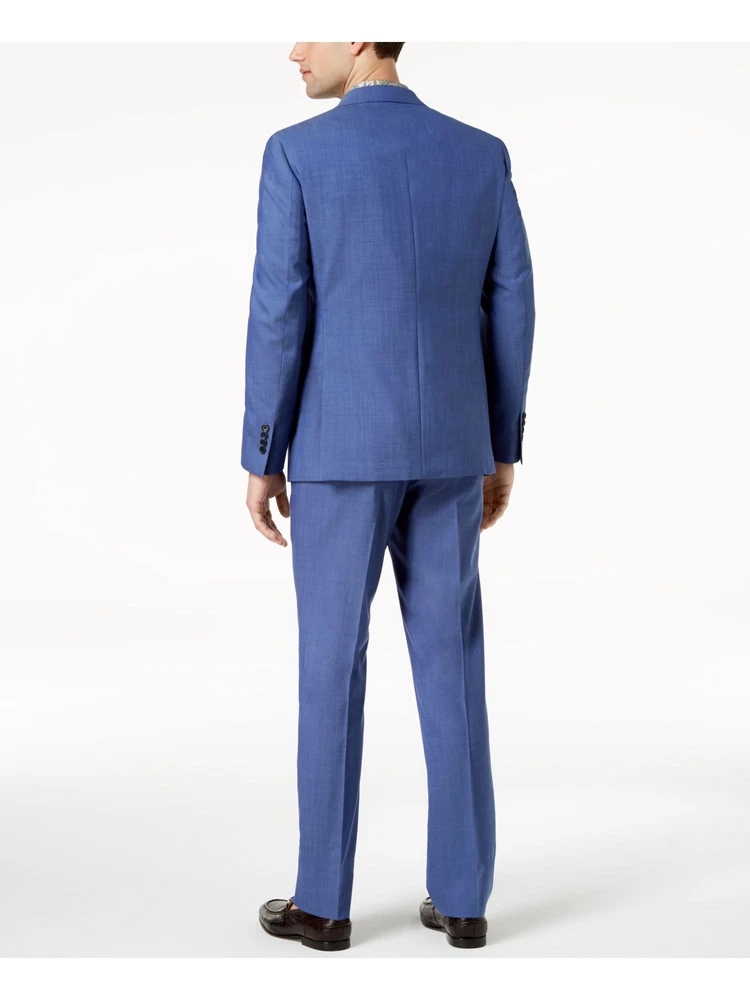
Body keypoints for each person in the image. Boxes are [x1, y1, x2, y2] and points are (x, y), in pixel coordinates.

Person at [242, 41, 535, 952]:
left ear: (364, 34)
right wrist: (501, 446)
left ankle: (324, 904)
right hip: (451, 445)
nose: (296, 49)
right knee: (452, 663)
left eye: (313, 28)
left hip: (339, 447)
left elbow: (281, 308)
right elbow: (512, 301)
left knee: (331, 668)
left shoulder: (297, 154)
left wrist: (264, 452)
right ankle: (464, 897)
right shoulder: (479, 153)